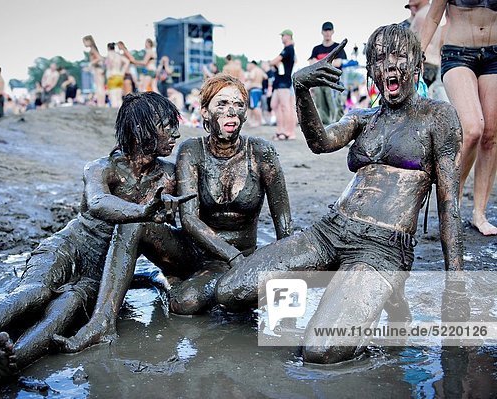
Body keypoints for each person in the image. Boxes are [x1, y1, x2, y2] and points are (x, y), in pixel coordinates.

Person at [0, 92, 197, 396]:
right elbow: (99, 203)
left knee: (66, 308)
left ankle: (2, 365)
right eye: (167, 126)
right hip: (69, 247)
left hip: (100, 273)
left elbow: (173, 232)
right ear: (142, 129)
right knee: (33, 294)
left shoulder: (167, 175)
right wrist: (142, 211)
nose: (176, 134)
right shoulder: (101, 168)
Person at [216, 25, 464, 364]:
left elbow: (449, 206)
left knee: (321, 350)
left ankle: (376, 295)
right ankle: (352, 291)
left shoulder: (438, 117)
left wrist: (456, 284)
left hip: (382, 248)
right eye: (379, 59)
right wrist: (300, 87)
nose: (389, 66)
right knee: (231, 291)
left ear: (418, 62)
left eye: (399, 57)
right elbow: (320, 142)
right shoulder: (363, 118)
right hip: (330, 230)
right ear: (370, 71)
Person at [175, 73, 293, 310]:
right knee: (184, 303)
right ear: (205, 112)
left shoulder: (261, 151)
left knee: (241, 299)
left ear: (245, 114)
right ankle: (171, 280)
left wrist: (287, 267)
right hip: (207, 256)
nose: (231, 111)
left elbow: (283, 217)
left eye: (238, 105)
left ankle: (225, 288)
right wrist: (231, 256)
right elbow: (187, 218)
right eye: (222, 103)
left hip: (246, 255)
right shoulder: (191, 151)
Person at [420, 0, 497, 236]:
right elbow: (434, 17)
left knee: (491, 135)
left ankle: (479, 214)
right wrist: (419, 54)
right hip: (458, 54)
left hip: (494, 56)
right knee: (473, 128)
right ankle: (451, 205)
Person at [308, 21, 348, 125]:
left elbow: (338, 63)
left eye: (329, 30)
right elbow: (311, 63)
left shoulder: (337, 47)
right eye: (325, 30)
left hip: (333, 82)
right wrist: (329, 63)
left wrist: (319, 63)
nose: (327, 32)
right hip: (320, 82)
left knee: (335, 106)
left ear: (333, 31)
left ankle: (340, 128)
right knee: (321, 108)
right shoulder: (316, 49)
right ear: (322, 32)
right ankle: (326, 129)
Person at [270, 29, 297, 140]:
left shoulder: (289, 49)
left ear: (288, 36)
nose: (281, 38)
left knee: (286, 107)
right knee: (274, 105)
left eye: (283, 36)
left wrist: (272, 63)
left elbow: (273, 62)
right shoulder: (288, 50)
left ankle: (288, 132)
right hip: (279, 82)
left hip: (284, 82)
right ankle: (281, 130)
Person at [409, 0, 442, 88]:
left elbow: (415, 44)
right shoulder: (432, 15)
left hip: (424, 63)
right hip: (433, 64)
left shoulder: (422, 16)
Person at [82, 35, 106, 107]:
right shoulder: (93, 48)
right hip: (98, 69)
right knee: (99, 87)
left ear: (89, 41)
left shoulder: (92, 49)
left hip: (98, 70)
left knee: (99, 87)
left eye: (84, 42)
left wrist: (90, 64)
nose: (84, 44)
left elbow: (100, 58)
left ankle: (100, 103)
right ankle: (101, 103)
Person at [105, 42, 130, 107]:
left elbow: (109, 65)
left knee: (113, 97)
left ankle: (115, 115)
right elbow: (127, 61)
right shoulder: (118, 55)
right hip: (119, 76)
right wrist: (122, 71)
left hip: (112, 76)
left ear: (108, 48)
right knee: (119, 98)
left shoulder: (109, 54)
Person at [245, 61, 267, 127]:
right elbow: (265, 77)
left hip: (254, 89)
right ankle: (259, 121)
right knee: (257, 106)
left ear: (252, 64)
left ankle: (258, 122)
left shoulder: (253, 70)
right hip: (260, 89)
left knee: (254, 106)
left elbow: (252, 77)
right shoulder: (260, 70)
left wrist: (247, 76)